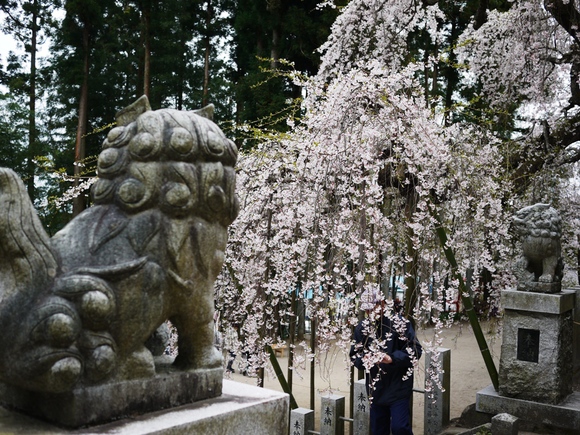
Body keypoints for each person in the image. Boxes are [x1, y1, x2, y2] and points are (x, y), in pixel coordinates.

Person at [350, 288, 422, 435]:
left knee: (400, 427)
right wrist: (364, 360)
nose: (371, 313)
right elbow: (354, 355)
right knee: (378, 430)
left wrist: (392, 358)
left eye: (373, 308)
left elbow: (415, 350)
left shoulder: (400, 323)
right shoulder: (362, 327)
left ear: (382, 304)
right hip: (376, 388)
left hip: (399, 386)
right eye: (367, 310)